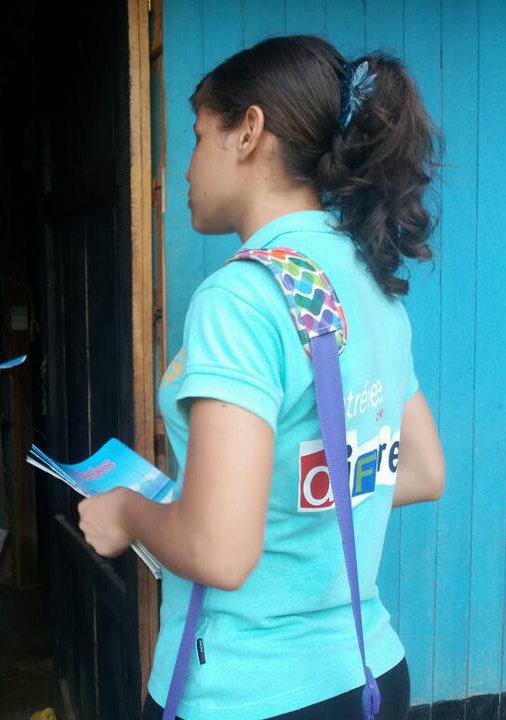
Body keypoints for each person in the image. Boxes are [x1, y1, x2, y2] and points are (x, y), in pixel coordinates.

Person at [77, 35, 446, 720]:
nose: (185, 168)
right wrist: (260, 498)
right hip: (367, 672)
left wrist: (126, 512)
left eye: (196, 137)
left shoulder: (241, 298)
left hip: (249, 690)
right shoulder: (370, 279)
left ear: (248, 131)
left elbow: (219, 550)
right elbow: (420, 470)